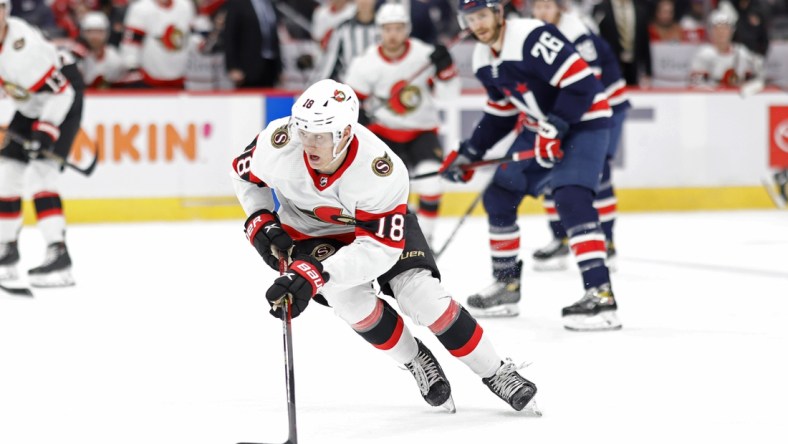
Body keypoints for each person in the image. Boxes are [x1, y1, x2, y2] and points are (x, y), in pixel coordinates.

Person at [231, 78, 539, 413]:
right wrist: (259, 219)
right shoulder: (279, 142)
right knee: (350, 303)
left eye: (320, 134)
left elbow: (378, 251)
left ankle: (495, 370)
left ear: (346, 133)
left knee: (422, 298)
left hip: (375, 235)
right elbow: (244, 175)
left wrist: (316, 274)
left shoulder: (382, 170)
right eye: (304, 131)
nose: (308, 143)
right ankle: (414, 358)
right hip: (310, 233)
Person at [441, 0, 621, 331]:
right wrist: (471, 151)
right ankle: (507, 286)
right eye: (470, 18)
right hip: (543, 128)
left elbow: (581, 82)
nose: (477, 23)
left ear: (498, 12)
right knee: (498, 195)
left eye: (482, 15)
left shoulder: (531, 36)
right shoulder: (483, 57)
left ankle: (601, 295)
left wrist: (555, 127)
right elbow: (502, 112)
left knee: (570, 198)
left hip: (585, 122)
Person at [344, 3, 459, 248]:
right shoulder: (365, 63)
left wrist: (446, 69)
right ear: (379, 31)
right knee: (387, 191)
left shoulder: (425, 55)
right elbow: (352, 104)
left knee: (431, 184)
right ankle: (396, 239)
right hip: (384, 134)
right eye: (388, 29)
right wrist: (359, 119)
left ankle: (424, 241)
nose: (393, 35)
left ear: (407, 29)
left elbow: (450, 95)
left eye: (398, 28)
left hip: (422, 132)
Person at [530, 0, 630, 272]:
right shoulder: (535, 34)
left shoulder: (576, 31)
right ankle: (561, 237)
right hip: (572, 106)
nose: (540, 13)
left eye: (546, 7)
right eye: (536, 7)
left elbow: (590, 81)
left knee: (600, 175)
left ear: (559, 8)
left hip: (605, 105)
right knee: (554, 169)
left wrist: (560, 118)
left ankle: (607, 241)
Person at [0, 2, 84, 287]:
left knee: (40, 175)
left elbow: (62, 93)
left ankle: (59, 256)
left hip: (63, 97)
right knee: (7, 173)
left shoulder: (22, 50)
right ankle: (7, 252)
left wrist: (45, 132)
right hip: (31, 102)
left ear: (6, 11)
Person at [119, 0, 195, 88]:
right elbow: (130, 43)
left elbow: (191, 36)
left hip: (180, 79)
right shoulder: (140, 8)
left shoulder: (185, 5)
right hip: (149, 80)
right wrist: (132, 67)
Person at [689, 8, 763, 90]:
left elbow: (754, 80)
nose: (721, 32)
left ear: (731, 31)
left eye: (725, 28)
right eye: (717, 28)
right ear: (711, 31)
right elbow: (695, 85)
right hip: (712, 99)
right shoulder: (704, 54)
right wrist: (717, 89)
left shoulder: (741, 52)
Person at [309, 0, 378, 82]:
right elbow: (330, 61)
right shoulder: (343, 28)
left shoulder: (384, 27)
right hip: (349, 84)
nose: (364, 2)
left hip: (378, 85)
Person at [223, 0, 282, 88]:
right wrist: (232, 66)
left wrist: (279, 68)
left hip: (269, 65)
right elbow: (230, 36)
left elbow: (273, 36)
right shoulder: (238, 4)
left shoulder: (270, 4)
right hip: (247, 67)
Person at [76, 12, 127, 88]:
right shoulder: (76, 56)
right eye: (90, 31)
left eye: (99, 31)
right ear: (83, 33)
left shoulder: (114, 58)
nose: (94, 36)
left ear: (106, 33)